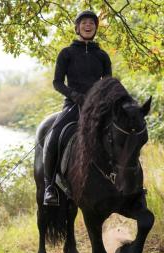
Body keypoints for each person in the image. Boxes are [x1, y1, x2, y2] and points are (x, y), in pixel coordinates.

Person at [43, 10, 112, 206]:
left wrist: (98, 99)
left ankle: (124, 181)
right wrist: (75, 96)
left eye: (92, 23)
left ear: (96, 28)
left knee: (120, 133)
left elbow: (107, 85)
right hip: (73, 104)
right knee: (55, 135)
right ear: (77, 27)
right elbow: (57, 82)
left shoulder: (102, 56)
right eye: (84, 23)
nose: (88, 25)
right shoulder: (66, 53)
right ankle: (50, 187)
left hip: (96, 106)